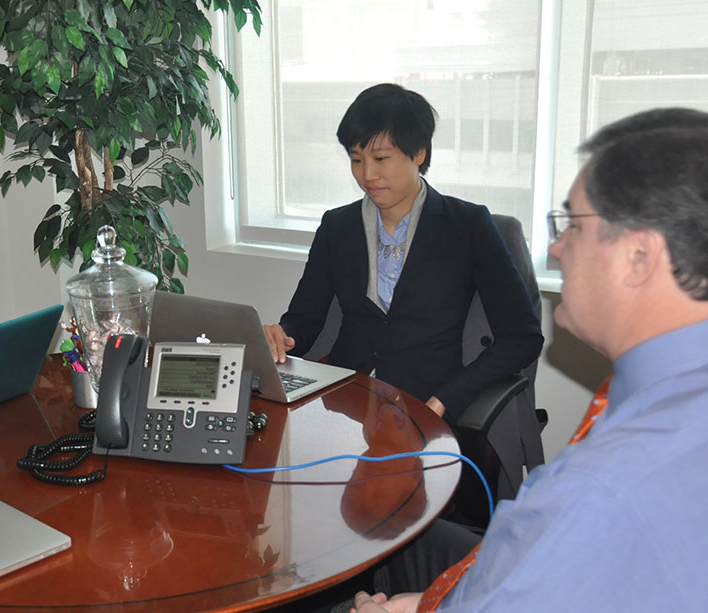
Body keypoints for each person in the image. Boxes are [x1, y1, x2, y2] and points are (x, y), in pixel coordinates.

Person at [351, 107, 708, 612]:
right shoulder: (660, 397)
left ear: (640, 257)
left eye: (573, 226)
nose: (557, 248)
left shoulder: (607, 488)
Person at [264, 84, 542, 423]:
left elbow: (521, 338)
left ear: (419, 153)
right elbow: (304, 320)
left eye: (381, 158)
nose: (367, 174)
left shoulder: (468, 226)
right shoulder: (337, 227)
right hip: (345, 404)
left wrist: (447, 398)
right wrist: (283, 335)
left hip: (429, 408)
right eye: (356, 159)